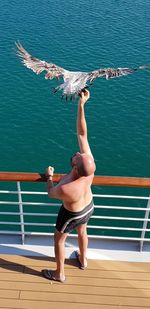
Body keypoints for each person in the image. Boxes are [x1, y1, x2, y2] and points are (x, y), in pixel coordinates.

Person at [42, 89, 96, 282]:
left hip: (71, 213)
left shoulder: (67, 188)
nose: (78, 153)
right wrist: (81, 105)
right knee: (83, 230)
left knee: (59, 238)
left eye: (78, 155)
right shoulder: (88, 168)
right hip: (88, 207)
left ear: (75, 164)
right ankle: (83, 260)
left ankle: (59, 273)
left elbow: (51, 193)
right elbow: (82, 134)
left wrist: (49, 177)